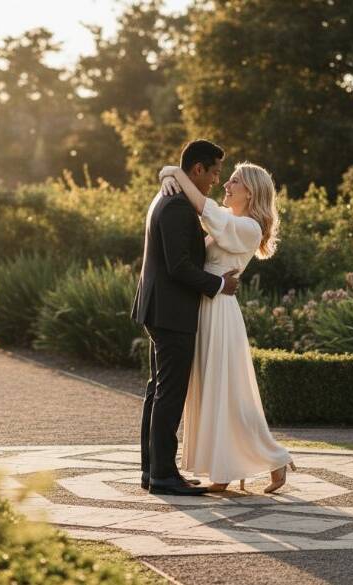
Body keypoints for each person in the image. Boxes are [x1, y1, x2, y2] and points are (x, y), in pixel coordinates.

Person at [158, 160, 296, 493]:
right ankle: (234, 466)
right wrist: (167, 174)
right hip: (204, 309)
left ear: (250, 191)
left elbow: (203, 208)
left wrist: (175, 173)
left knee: (226, 391)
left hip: (220, 313)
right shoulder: (229, 220)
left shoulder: (249, 228)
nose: (226, 186)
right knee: (211, 390)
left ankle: (264, 460)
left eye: (233, 181)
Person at [131, 140, 240, 496]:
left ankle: (153, 470)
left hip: (159, 308)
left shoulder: (168, 196)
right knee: (169, 394)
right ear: (197, 170)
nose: (215, 180)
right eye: (214, 172)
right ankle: (163, 474)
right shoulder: (178, 205)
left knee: (157, 391)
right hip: (172, 311)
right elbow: (179, 267)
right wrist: (220, 283)